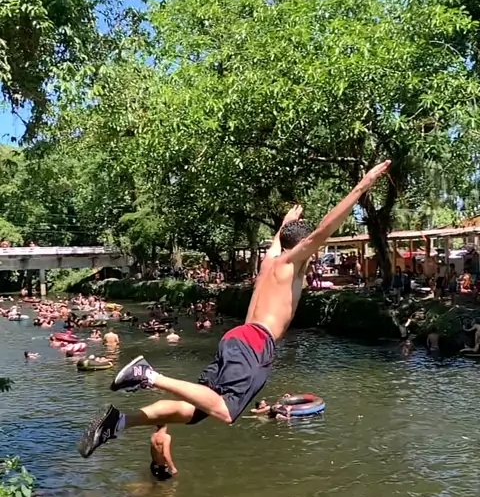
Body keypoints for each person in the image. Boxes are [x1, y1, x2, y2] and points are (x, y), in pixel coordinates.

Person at [77, 160, 391, 458]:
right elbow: (324, 228)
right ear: (302, 245)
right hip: (255, 342)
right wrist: (362, 186)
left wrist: (284, 224)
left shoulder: (270, 261)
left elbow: (279, 240)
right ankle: (148, 375)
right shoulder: (290, 263)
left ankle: (119, 422)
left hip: (237, 337)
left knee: (196, 410)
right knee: (226, 411)